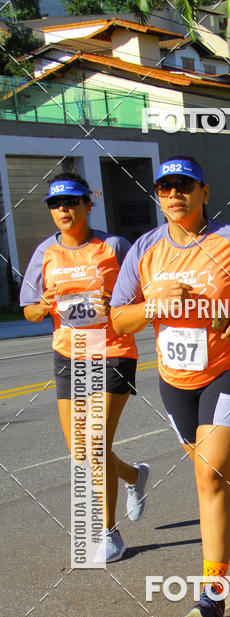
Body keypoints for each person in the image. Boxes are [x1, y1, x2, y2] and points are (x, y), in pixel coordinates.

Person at [111, 156, 230, 617]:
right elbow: (119, 319)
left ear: (204, 192)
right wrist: (154, 305)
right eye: (165, 187)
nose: (175, 195)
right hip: (176, 380)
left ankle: (212, 594)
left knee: (210, 473)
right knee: (219, 470)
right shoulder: (145, 249)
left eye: (184, 186)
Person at [20, 173, 150, 563]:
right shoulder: (45, 253)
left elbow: (143, 297)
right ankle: (134, 476)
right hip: (69, 355)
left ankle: (109, 534)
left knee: (94, 446)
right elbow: (29, 310)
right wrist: (43, 306)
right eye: (56, 204)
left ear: (88, 204)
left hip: (113, 351)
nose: (64, 209)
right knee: (84, 451)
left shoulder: (114, 247)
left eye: (72, 201)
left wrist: (116, 304)